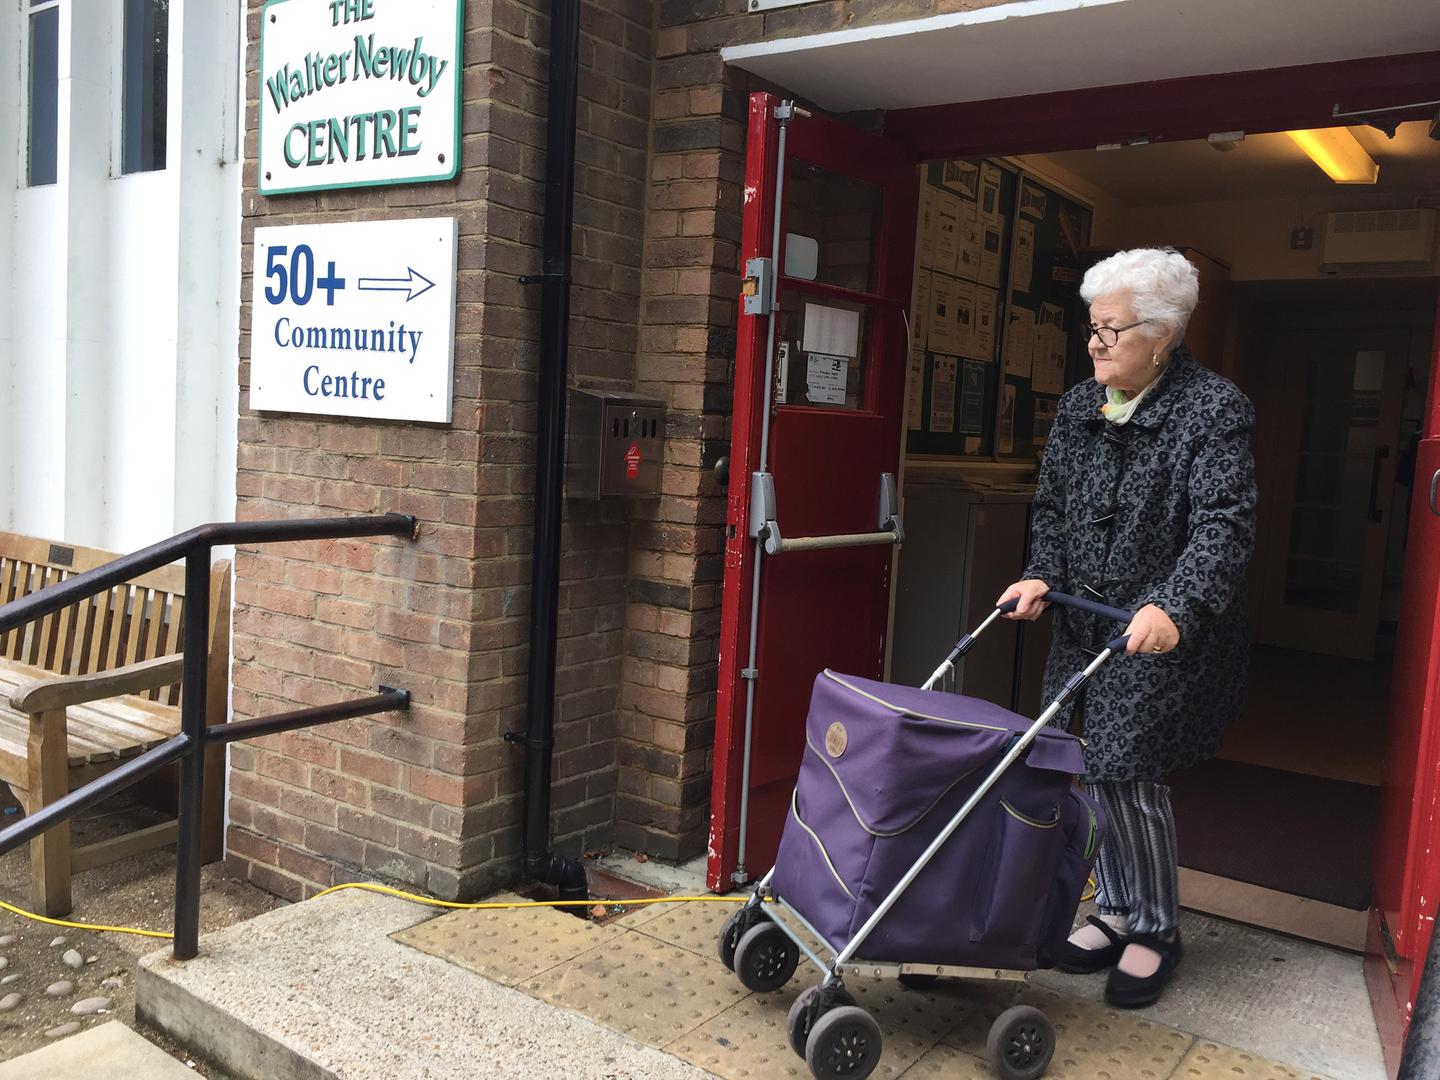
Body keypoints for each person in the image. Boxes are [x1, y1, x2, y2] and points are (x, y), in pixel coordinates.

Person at [997, 247, 1257, 1008]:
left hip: (1156, 628)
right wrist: (1042, 573)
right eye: (1092, 328)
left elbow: (1223, 525)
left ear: (1164, 334)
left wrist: (1176, 608)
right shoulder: (1080, 406)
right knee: (1088, 763)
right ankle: (1113, 908)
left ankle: (1155, 927)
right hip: (1085, 624)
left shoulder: (1213, 409)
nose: (1095, 344)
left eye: (1111, 331)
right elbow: (1050, 509)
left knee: (1130, 775)